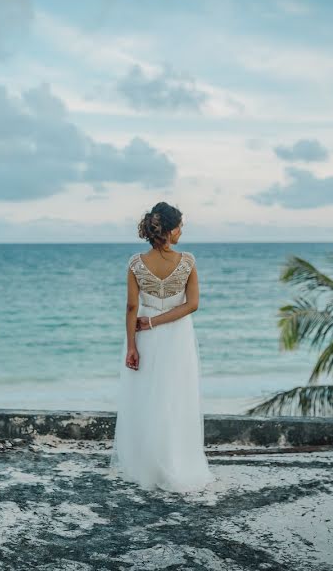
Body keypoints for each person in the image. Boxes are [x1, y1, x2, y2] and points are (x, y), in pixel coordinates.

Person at [111, 202, 213, 492]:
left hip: (143, 334)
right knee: (176, 397)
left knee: (145, 398)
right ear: (169, 230)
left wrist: (132, 345)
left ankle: (147, 464)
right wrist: (158, 322)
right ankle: (178, 461)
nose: (182, 231)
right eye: (180, 226)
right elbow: (192, 305)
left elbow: (132, 307)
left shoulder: (135, 263)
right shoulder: (188, 262)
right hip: (177, 336)